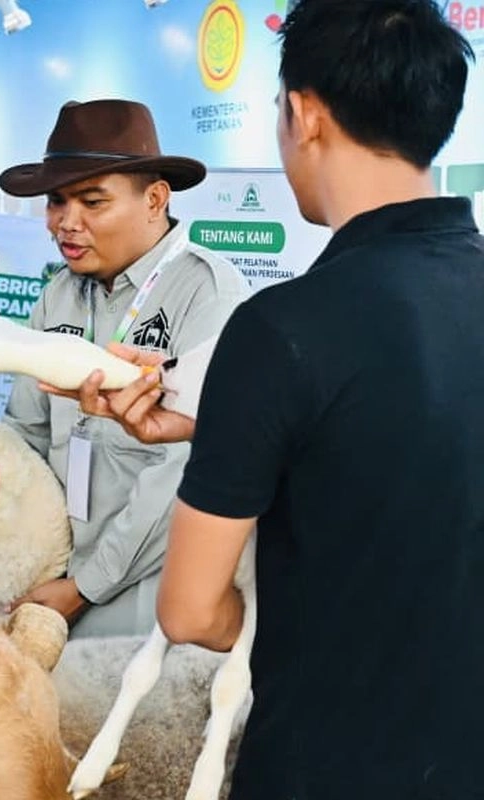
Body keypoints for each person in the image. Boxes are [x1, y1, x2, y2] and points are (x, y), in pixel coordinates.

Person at [76, 2, 481, 796]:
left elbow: (190, 613)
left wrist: (292, 626)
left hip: (326, 762)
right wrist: (222, 429)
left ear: (303, 113)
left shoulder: (281, 327)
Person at [0, 99, 246, 638]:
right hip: (54, 587)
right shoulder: (58, 294)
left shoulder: (206, 293)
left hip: (152, 597)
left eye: (92, 201)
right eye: (56, 202)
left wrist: (86, 586)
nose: (67, 223)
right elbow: (26, 431)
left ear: (155, 199)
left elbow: (185, 468)